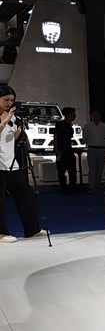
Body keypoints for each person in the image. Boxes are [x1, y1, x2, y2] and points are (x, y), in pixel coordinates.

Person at [0, 85, 43, 243]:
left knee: (26, 195)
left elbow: (13, 137)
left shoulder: (12, 115)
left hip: (11, 162)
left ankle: (32, 230)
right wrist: (5, 121)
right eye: (6, 100)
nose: (9, 103)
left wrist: (21, 127)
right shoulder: (6, 117)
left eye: (12, 100)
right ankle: (1, 233)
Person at [83, 110, 105, 191]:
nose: (96, 117)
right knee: (92, 168)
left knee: (100, 168)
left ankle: (97, 184)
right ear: (91, 116)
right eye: (94, 115)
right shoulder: (87, 126)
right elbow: (84, 138)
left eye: (97, 115)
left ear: (100, 116)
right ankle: (91, 185)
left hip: (101, 149)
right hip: (92, 149)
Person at [54, 106, 77, 192]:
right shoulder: (60, 124)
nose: (74, 116)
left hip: (68, 149)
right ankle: (63, 187)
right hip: (61, 150)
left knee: (72, 170)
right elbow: (56, 137)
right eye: (73, 114)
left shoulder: (69, 125)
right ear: (68, 115)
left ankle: (72, 187)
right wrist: (57, 149)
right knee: (61, 170)